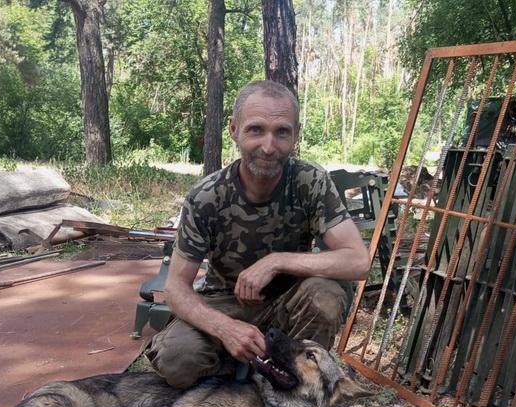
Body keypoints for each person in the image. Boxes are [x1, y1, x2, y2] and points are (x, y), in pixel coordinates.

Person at [147, 79, 370, 389]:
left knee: (327, 295)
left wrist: (276, 261)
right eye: (256, 130)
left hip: (290, 303)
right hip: (224, 301)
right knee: (177, 358)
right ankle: (244, 369)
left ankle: (298, 383)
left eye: (281, 132)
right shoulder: (207, 196)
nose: (268, 146)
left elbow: (358, 261)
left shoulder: (310, 181)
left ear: (296, 134)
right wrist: (224, 328)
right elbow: (176, 288)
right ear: (234, 130)